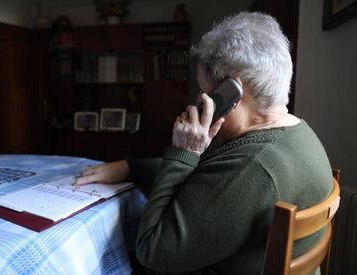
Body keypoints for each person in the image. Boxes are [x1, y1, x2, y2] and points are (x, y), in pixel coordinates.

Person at [73, 12, 332, 275]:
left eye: (204, 89)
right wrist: (130, 167)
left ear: (231, 93)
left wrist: (182, 152)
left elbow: (151, 251)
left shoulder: (251, 167)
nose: (199, 98)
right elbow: (207, 171)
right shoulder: (297, 133)